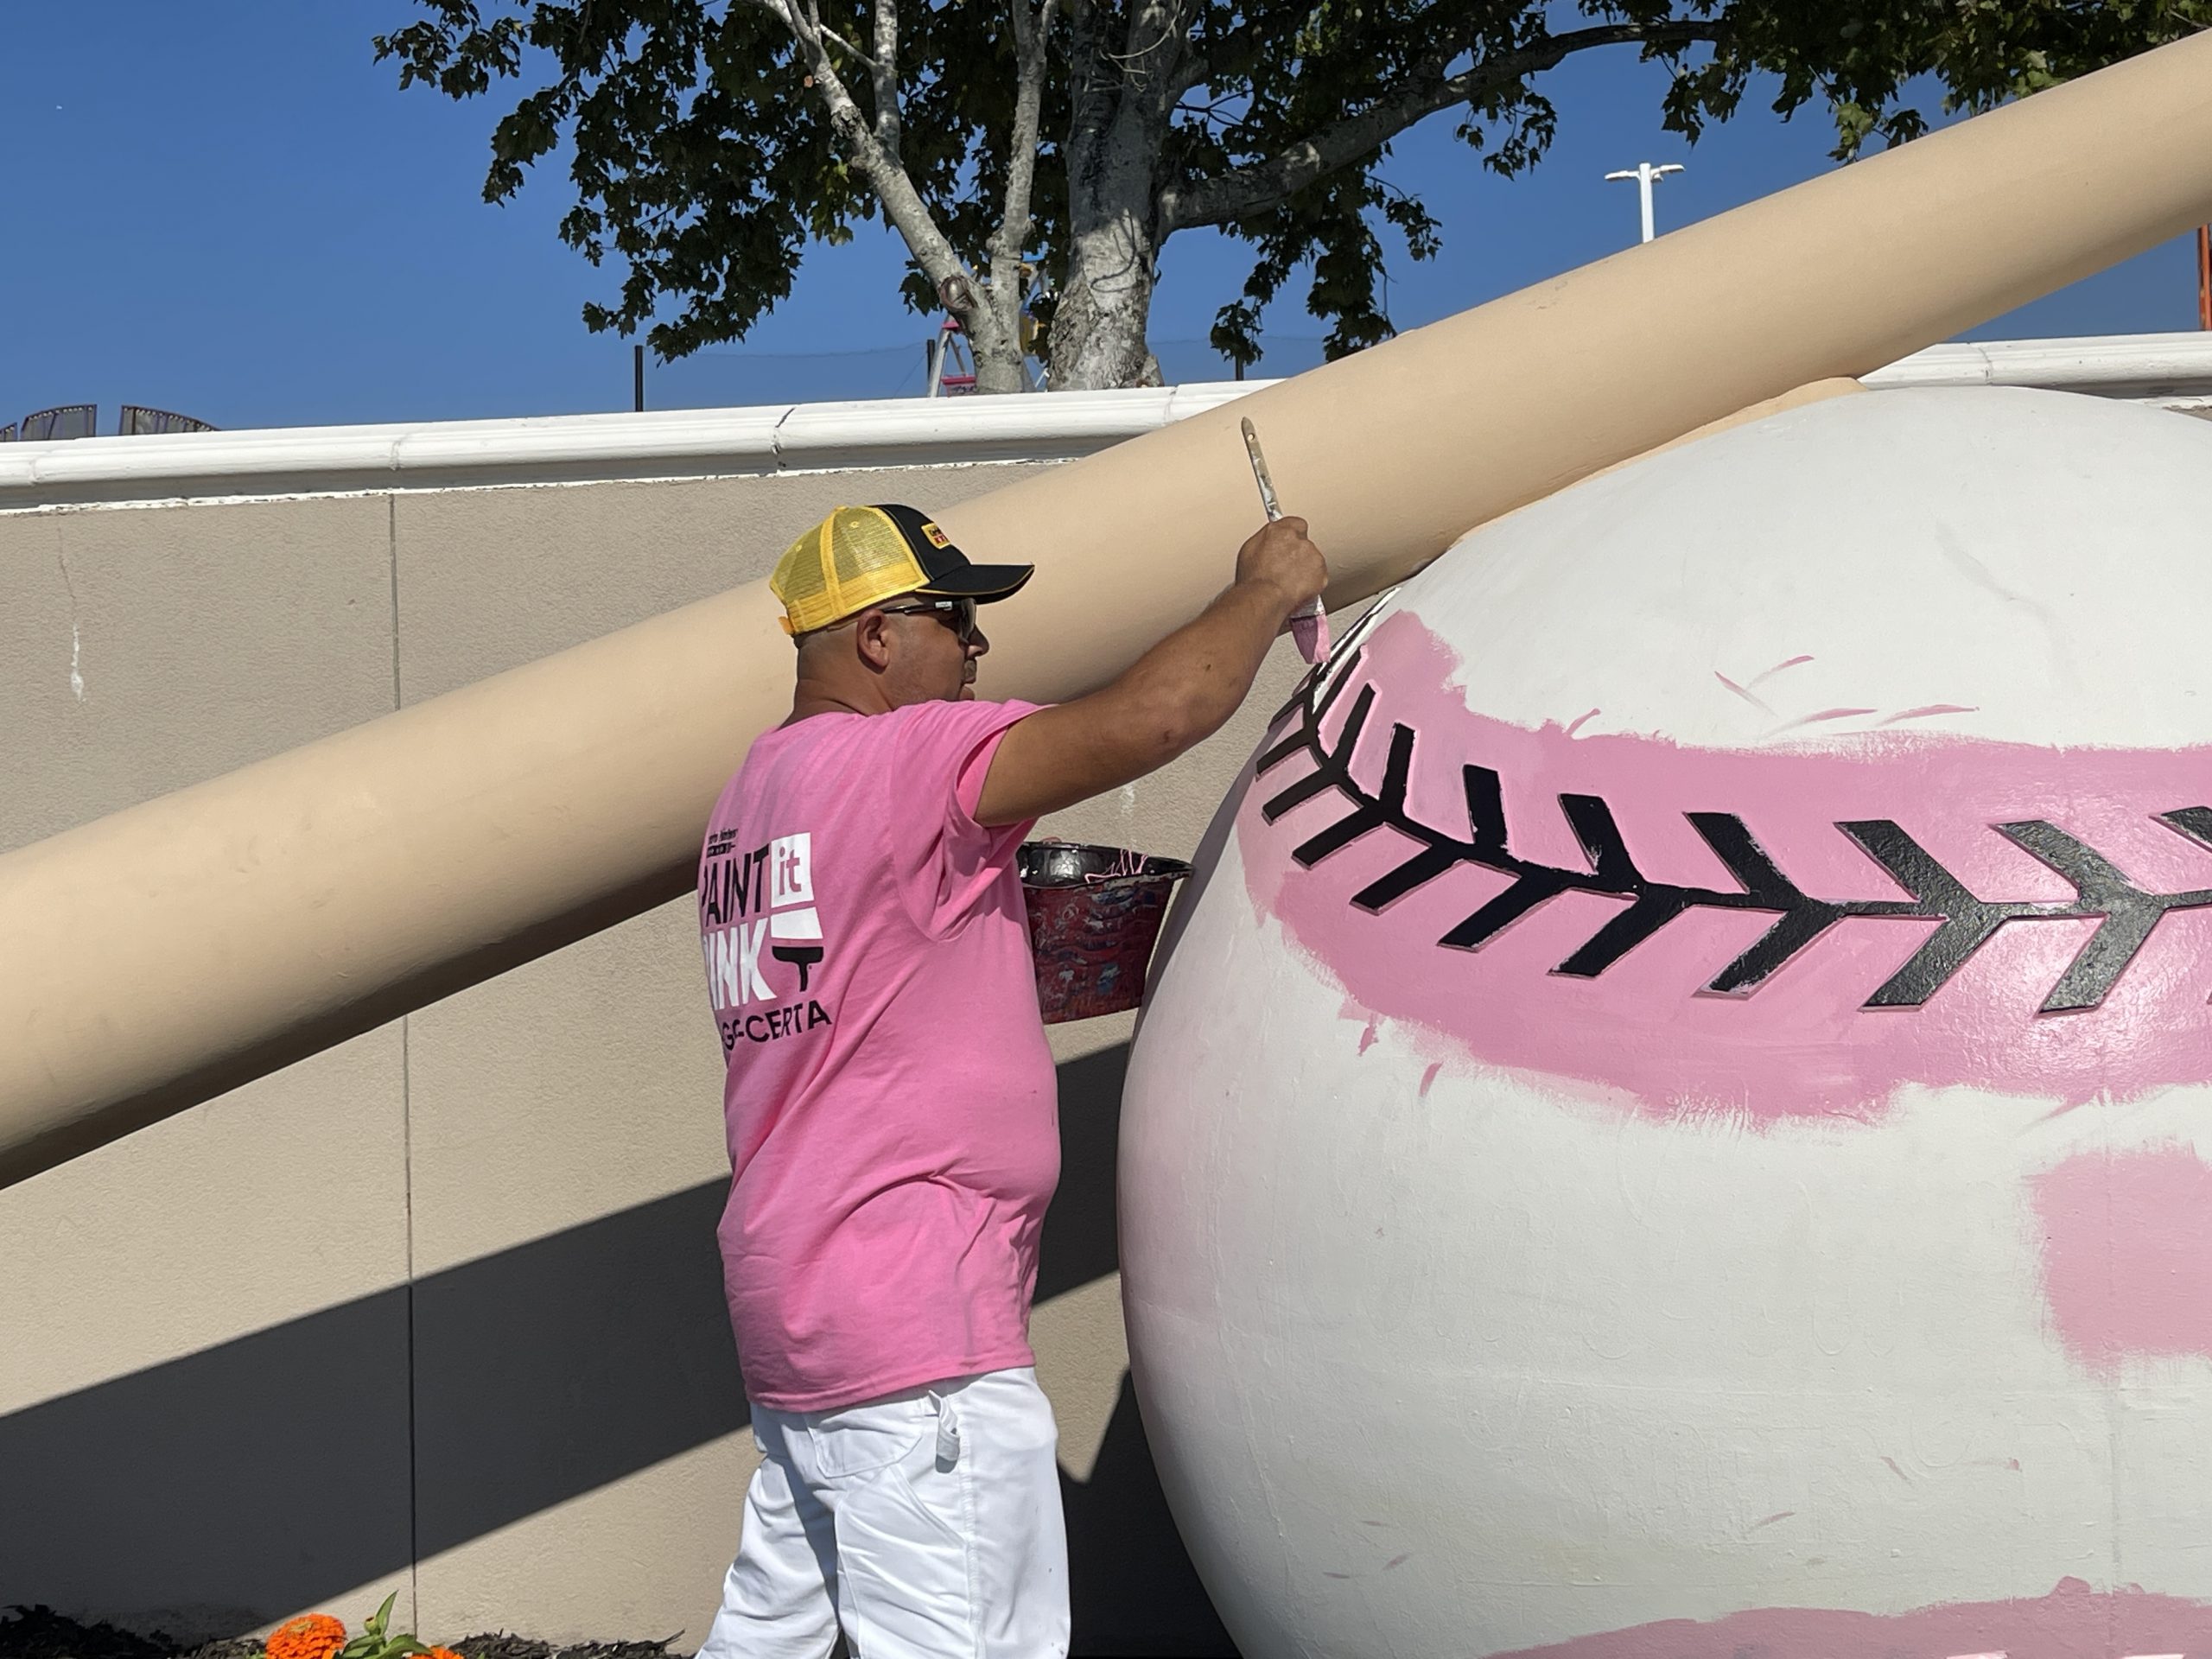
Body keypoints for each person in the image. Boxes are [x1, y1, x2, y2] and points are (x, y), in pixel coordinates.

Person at [694, 500, 1327, 1659]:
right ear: (878, 639)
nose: (979, 649)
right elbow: (1156, 714)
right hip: (917, 1330)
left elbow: (867, 989)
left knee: (768, 1641)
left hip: (807, 1316)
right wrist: (1264, 589)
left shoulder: (753, 802)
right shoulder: (901, 758)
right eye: (959, 619)